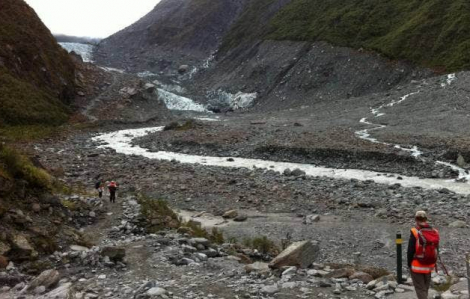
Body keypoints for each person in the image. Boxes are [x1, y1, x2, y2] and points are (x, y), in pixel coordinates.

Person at [407, 211, 440, 299]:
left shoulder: (414, 231)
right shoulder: (434, 232)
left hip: (417, 266)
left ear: (416, 219)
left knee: (420, 289)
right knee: (425, 288)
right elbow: (437, 249)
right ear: (426, 219)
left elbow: (410, 250)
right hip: (429, 265)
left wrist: (409, 264)